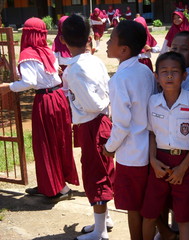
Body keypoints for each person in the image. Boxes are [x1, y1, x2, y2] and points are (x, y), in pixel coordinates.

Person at [0, 17, 79, 202]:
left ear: (27, 33)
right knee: (58, 142)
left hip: (45, 101)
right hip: (59, 98)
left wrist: (7, 87)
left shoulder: (28, 53)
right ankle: (51, 183)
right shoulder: (47, 51)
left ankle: (56, 187)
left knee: (45, 144)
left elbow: (29, 82)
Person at [61, 14, 114, 240]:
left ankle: (100, 232)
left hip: (93, 123)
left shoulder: (73, 71)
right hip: (100, 121)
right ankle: (104, 220)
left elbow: (93, 104)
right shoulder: (95, 60)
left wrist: (73, 99)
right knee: (102, 169)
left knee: (95, 174)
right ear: (90, 38)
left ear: (62, 40)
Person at [141, 51, 189, 240]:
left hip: (185, 163)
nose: (169, 76)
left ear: (184, 76)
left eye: (174, 71)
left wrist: (183, 167)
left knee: (183, 219)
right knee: (150, 215)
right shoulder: (153, 101)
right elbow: (151, 133)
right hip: (159, 162)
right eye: (164, 71)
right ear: (156, 76)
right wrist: (152, 160)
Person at [104, 20, 155, 240]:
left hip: (131, 154)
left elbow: (122, 124)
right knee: (147, 204)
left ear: (123, 50)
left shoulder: (119, 80)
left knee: (133, 209)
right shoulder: (145, 71)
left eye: (111, 39)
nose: (106, 42)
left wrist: (109, 147)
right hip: (149, 149)